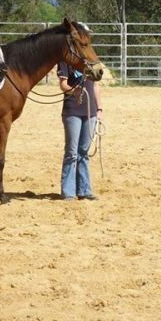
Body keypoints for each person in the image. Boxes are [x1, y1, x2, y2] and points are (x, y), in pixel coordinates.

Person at [57, 24, 102, 201]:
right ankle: (68, 190)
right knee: (72, 151)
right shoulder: (66, 59)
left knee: (84, 151)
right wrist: (73, 91)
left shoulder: (90, 58)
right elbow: (62, 84)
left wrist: (99, 109)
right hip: (72, 109)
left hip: (90, 110)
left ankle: (84, 189)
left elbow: (97, 86)